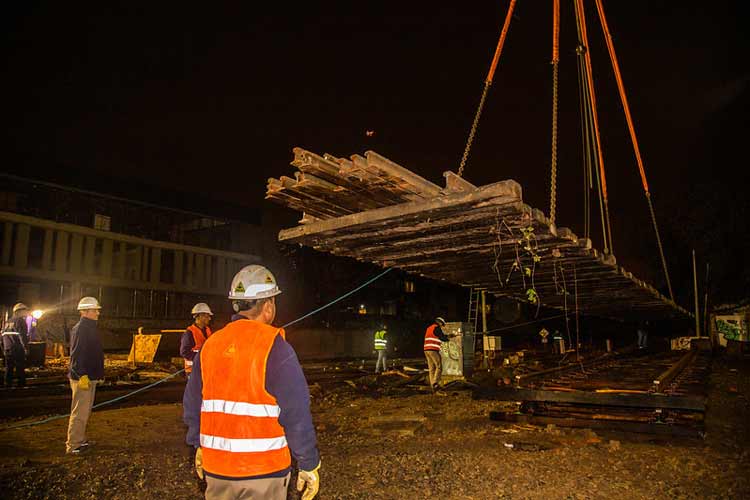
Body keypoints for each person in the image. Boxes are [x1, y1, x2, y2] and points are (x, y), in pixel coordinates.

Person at [183, 264, 321, 500]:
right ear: (268, 306)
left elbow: (193, 402)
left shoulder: (211, 345)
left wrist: (198, 444)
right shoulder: (275, 347)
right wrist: (308, 463)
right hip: (263, 471)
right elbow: (296, 412)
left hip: (217, 469)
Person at [65, 297, 104, 455]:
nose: (97, 313)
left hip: (88, 376)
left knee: (85, 410)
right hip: (82, 376)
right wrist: (81, 374)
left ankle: (80, 439)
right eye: (95, 310)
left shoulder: (89, 328)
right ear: (85, 312)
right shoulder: (81, 329)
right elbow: (77, 354)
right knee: (79, 412)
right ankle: (73, 444)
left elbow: (92, 354)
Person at [180, 303, 213, 378]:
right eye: (207, 316)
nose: (209, 318)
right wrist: (199, 358)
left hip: (204, 368)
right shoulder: (189, 333)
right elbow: (184, 352)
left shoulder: (208, 331)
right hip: (192, 370)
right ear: (200, 316)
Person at [423, 317, 455, 392]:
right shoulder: (437, 328)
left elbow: (438, 336)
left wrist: (447, 336)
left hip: (426, 349)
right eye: (442, 324)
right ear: (440, 323)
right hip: (433, 350)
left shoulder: (429, 328)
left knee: (431, 368)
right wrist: (449, 337)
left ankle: (432, 385)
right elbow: (442, 337)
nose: (442, 326)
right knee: (439, 366)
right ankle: (435, 383)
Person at [2, 303, 30, 387]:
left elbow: (2, 337)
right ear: (19, 311)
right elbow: (22, 335)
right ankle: (21, 386)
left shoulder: (7, 322)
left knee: (9, 368)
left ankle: (7, 385)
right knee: (20, 368)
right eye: (25, 311)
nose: (26, 313)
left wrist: (3, 349)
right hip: (17, 349)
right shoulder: (20, 321)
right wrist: (26, 348)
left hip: (8, 349)